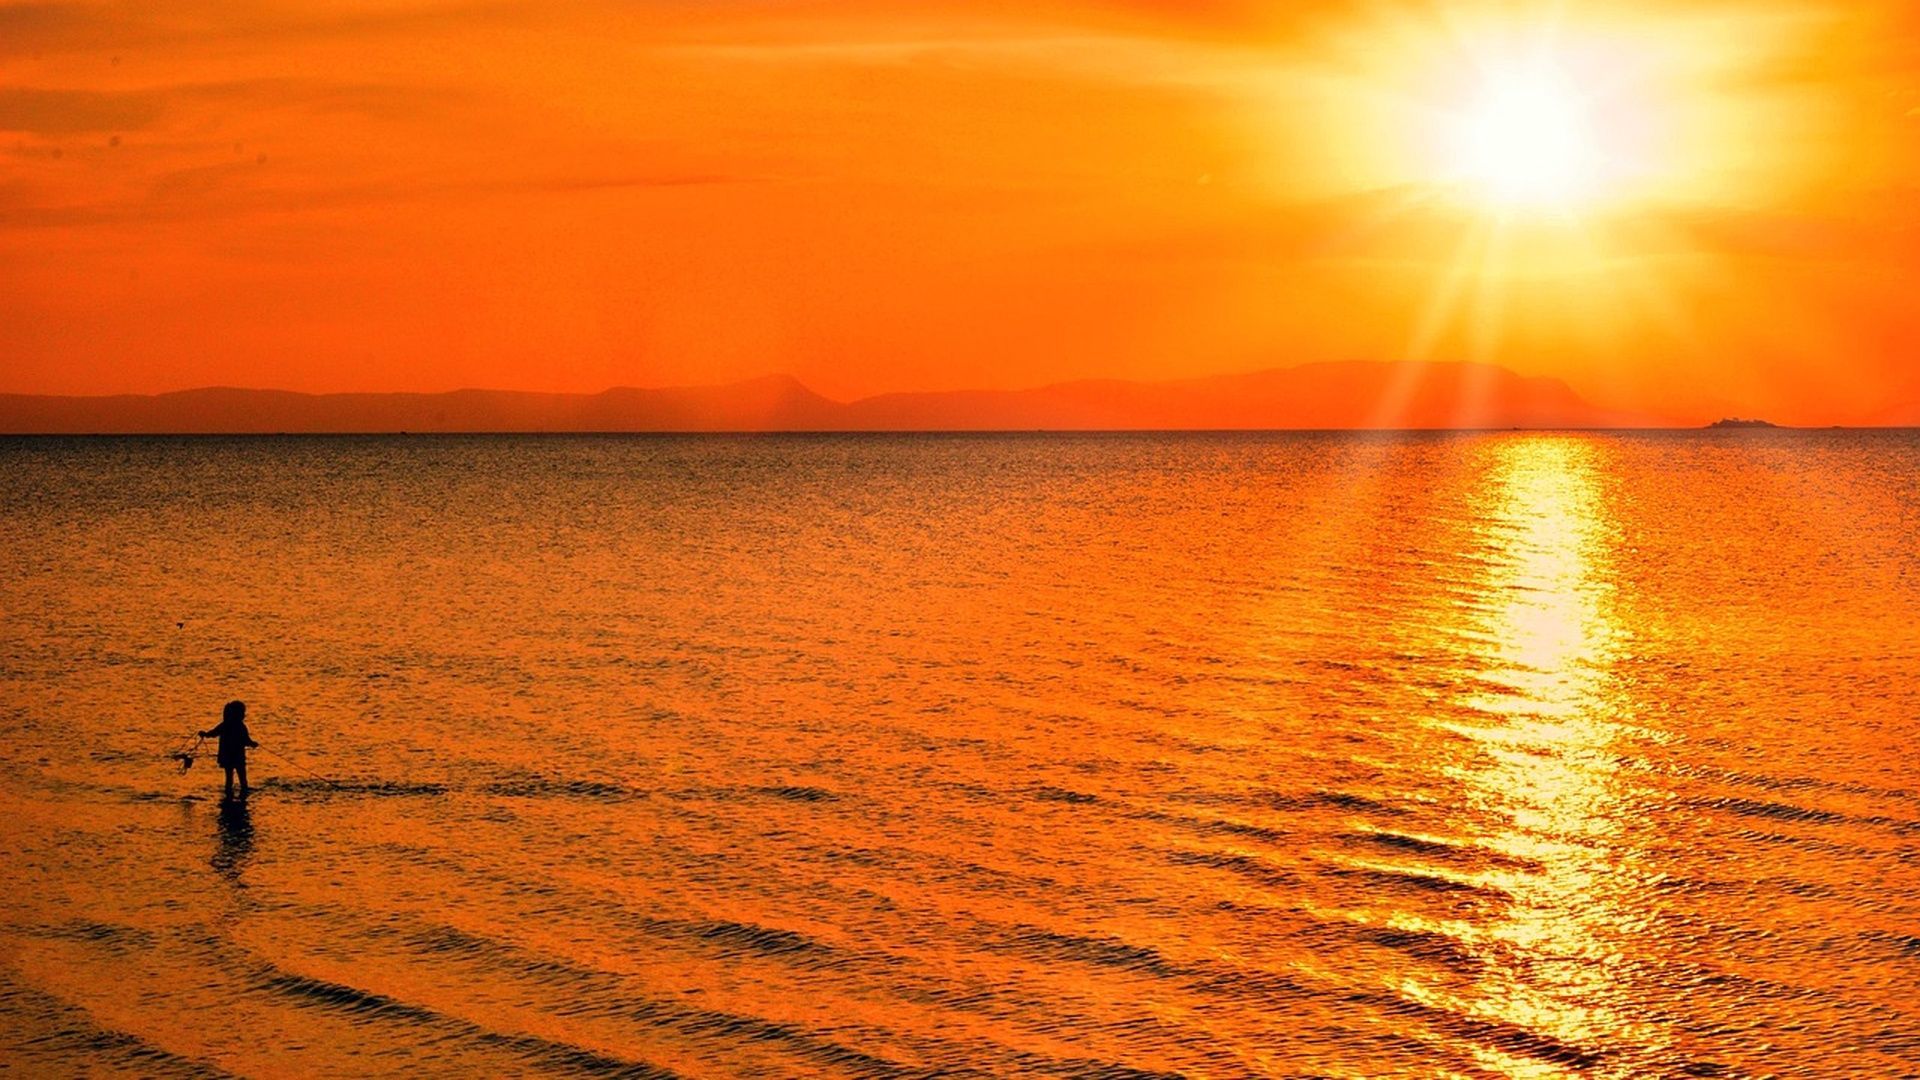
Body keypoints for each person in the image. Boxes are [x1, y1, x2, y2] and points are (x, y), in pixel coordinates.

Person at [200, 700, 259, 800]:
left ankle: (228, 796)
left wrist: (205, 734)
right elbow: (246, 740)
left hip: (227, 757)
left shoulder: (225, 725)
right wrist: (253, 744)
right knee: (243, 779)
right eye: (242, 713)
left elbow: (213, 733)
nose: (243, 715)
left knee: (229, 779)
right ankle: (243, 795)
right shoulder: (240, 726)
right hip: (238, 757)